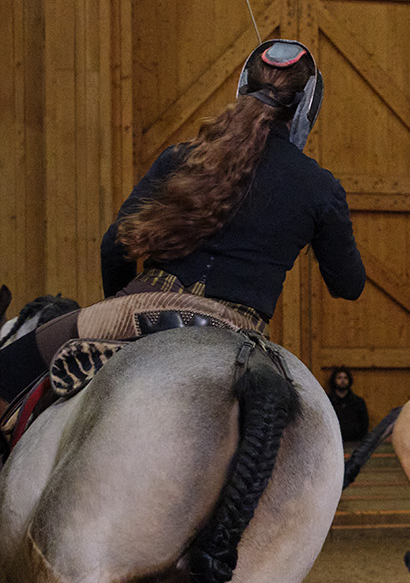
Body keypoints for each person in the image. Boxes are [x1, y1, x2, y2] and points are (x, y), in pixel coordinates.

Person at [0, 39, 365, 442]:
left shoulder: (182, 157)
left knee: (5, 374)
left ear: (242, 87)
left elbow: (114, 245)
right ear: (306, 107)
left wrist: (118, 304)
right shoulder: (320, 186)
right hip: (239, 328)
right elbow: (348, 286)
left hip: (139, 307)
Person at [326, 365, 369, 445]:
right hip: (333, 443)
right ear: (334, 380)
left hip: (355, 443)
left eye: (345, 378)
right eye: (339, 378)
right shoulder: (327, 402)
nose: (342, 381)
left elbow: (364, 425)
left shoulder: (358, 402)